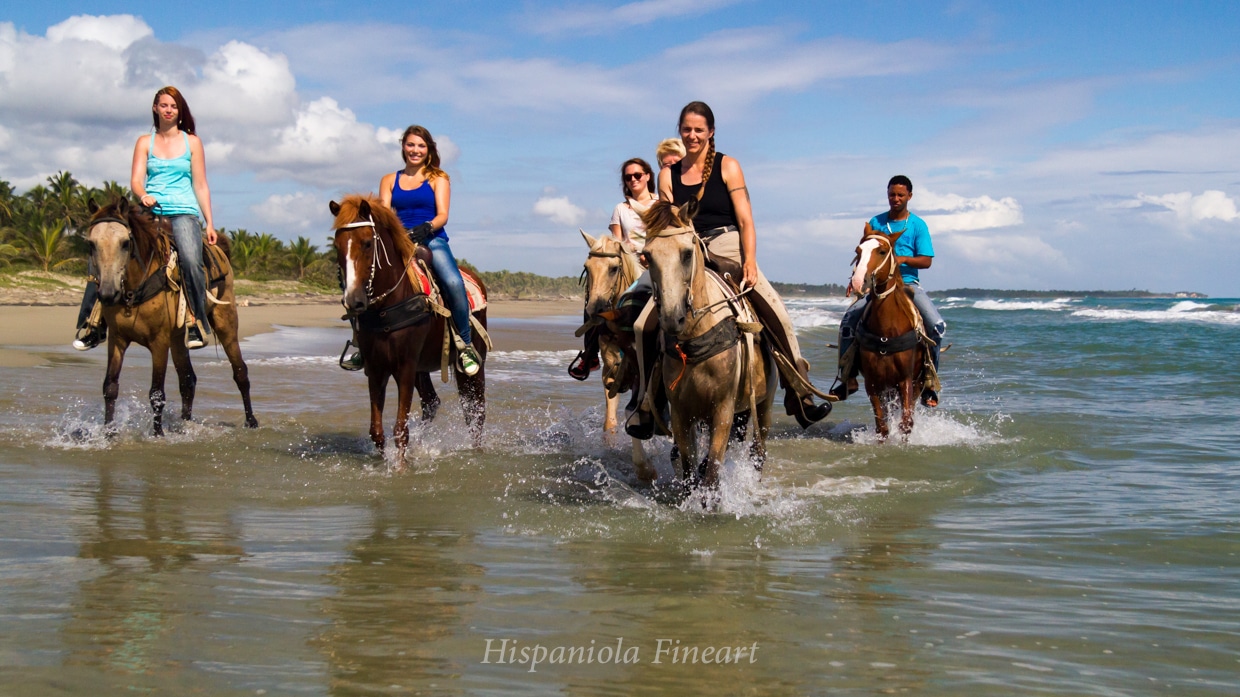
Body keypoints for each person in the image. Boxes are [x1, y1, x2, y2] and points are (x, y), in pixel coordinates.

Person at [625, 101, 831, 435]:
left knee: (777, 311)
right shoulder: (667, 175)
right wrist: (652, 249)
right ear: (680, 131)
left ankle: (800, 391)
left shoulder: (728, 166)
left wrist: (749, 261)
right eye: (687, 129)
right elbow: (664, 223)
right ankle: (646, 404)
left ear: (711, 132)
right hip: (687, 249)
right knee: (641, 325)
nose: (692, 135)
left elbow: (746, 220)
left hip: (727, 244)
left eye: (699, 130)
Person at [73, 86, 217, 350]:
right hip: (149, 210)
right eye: (164, 105)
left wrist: (209, 222)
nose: (169, 110)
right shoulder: (144, 142)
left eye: (174, 106)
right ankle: (92, 324)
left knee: (190, 259)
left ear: (180, 110)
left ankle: (195, 322)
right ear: (155, 108)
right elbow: (136, 181)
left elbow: (201, 185)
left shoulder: (192, 142)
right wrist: (143, 195)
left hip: (183, 212)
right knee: (104, 248)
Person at [341, 125, 481, 376]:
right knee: (358, 281)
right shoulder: (389, 180)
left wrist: (426, 228)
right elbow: (384, 214)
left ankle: (465, 344)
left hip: (432, 239)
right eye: (411, 145)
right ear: (403, 147)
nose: (415, 150)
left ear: (429, 150)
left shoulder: (438, 178)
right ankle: (360, 343)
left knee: (453, 282)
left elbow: (443, 215)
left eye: (421, 146)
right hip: (397, 241)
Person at [833, 175, 945, 407]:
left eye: (900, 195)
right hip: (877, 286)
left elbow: (926, 260)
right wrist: (857, 277)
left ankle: (929, 383)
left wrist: (903, 259)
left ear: (909, 196)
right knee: (848, 323)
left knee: (935, 325)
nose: (895, 198)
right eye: (892, 194)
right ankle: (847, 378)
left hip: (908, 284)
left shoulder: (917, 225)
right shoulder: (877, 222)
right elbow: (865, 255)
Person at [568, 157, 656, 381]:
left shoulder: (659, 204)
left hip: (653, 261)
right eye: (628, 177)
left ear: (648, 176)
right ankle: (590, 354)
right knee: (595, 297)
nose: (633, 179)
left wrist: (649, 254)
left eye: (638, 175)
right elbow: (617, 241)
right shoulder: (620, 209)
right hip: (627, 262)